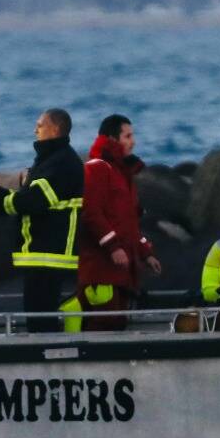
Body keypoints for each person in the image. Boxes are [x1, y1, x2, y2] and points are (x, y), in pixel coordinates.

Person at [0, 108, 84, 333]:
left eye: (40, 125)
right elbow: (28, 197)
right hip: (42, 252)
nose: (35, 129)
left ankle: (48, 360)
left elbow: (35, 201)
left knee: (41, 318)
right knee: (37, 314)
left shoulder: (61, 162)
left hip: (50, 252)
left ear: (55, 129)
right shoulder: (50, 159)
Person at [77, 113, 161, 331]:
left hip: (120, 273)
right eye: (127, 136)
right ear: (112, 139)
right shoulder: (98, 168)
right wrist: (113, 247)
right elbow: (91, 212)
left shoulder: (122, 173)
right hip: (101, 271)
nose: (133, 142)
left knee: (116, 324)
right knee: (103, 325)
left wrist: (145, 252)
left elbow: (128, 224)